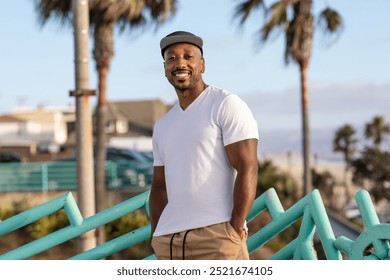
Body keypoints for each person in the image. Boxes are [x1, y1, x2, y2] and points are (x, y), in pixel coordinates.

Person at [149, 31, 259, 260]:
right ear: (165, 69)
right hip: (170, 242)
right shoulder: (163, 124)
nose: (180, 63)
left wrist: (234, 230)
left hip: (217, 237)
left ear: (202, 65)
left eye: (188, 56)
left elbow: (248, 167)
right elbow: (159, 186)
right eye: (171, 58)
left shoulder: (226, 104)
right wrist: (156, 234)